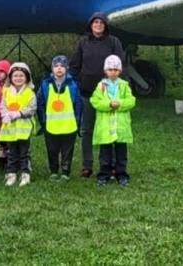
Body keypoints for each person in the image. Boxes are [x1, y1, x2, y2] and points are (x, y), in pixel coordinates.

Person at [68, 12, 124, 178]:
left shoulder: (113, 42)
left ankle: (109, 164)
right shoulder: (82, 43)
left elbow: (120, 65)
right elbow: (74, 66)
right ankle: (87, 165)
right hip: (87, 94)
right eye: (95, 22)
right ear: (90, 25)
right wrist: (79, 81)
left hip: (108, 95)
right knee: (86, 130)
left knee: (108, 129)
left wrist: (121, 88)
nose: (98, 25)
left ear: (105, 25)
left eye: (101, 22)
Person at [91, 55, 136, 186]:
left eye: (116, 69)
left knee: (121, 153)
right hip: (105, 127)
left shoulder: (124, 86)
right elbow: (95, 101)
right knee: (105, 153)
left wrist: (120, 104)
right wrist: (109, 105)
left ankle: (121, 174)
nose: (113, 72)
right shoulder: (100, 86)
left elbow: (131, 101)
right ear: (105, 71)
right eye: (110, 69)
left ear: (119, 71)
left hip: (120, 127)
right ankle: (104, 174)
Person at [36, 55, 82, 182]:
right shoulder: (45, 84)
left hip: (69, 125)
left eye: (62, 66)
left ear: (67, 68)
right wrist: (43, 120)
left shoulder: (73, 84)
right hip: (50, 125)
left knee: (67, 149)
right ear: (52, 68)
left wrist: (77, 120)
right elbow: (40, 102)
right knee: (52, 149)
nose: (59, 68)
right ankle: (54, 171)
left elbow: (78, 103)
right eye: (56, 66)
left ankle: (66, 171)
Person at [0, 62, 37, 187]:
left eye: (21, 76)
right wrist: (5, 114)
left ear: (27, 77)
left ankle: (25, 174)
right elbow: (3, 106)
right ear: (10, 77)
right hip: (10, 127)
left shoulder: (30, 92)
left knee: (24, 152)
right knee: (11, 152)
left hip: (24, 128)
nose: (18, 78)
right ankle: (11, 174)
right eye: (15, 76)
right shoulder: (7, 92)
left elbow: (32, 108)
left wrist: (20, 113)